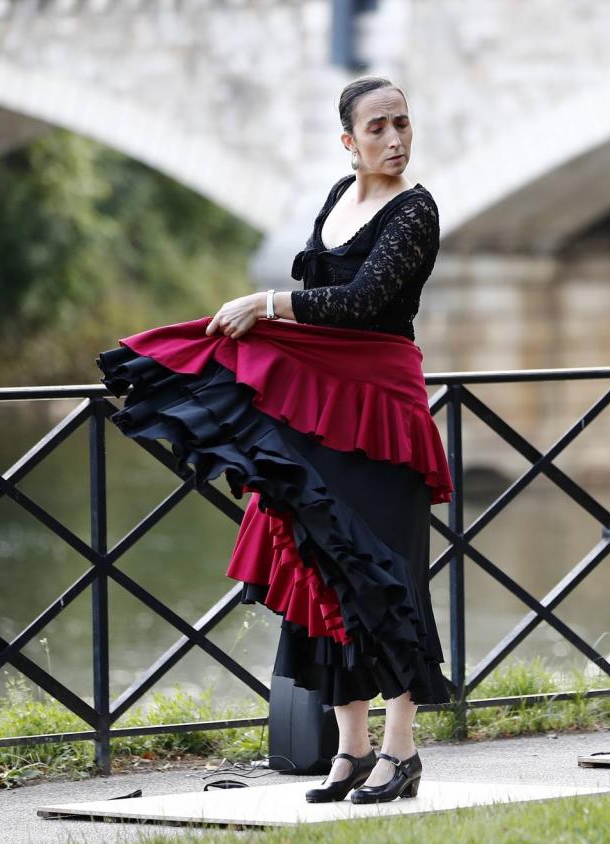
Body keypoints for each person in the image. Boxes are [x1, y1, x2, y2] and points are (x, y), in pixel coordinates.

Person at [98, 76, 451, 802]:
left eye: (402, 124)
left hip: (380, 409)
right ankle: (350, 751)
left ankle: (401, 751)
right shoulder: (337, 198)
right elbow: (317, 310)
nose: (394, 139)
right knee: (326, 564)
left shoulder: (416, 210)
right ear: (348, 142)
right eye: (377, 128)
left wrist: (264, 303)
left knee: (385, 567)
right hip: (322, 403)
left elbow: (361, 304)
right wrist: (261, 329)